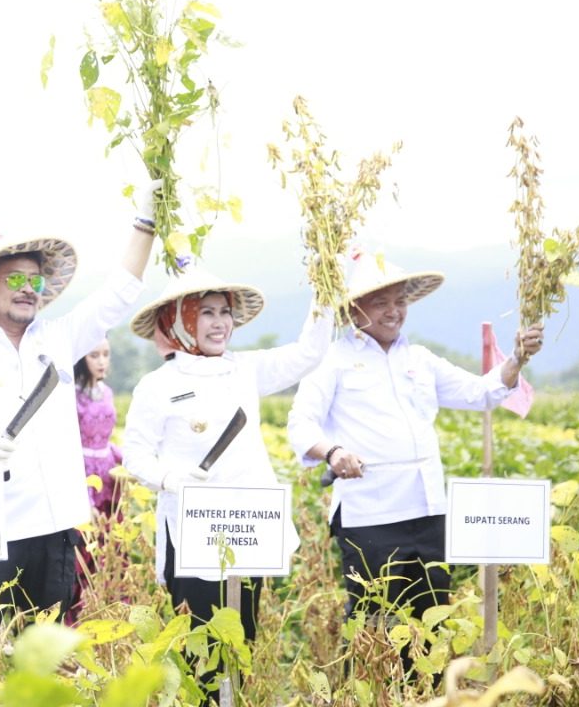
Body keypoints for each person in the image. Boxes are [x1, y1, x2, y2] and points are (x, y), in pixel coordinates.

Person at [0, 183, 157, 704]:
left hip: (53, 531)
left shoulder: (59, 338)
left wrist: (146, 223)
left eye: (35, 280)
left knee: (43, 667)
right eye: (16, 279)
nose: (29, 289)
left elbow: (120, 291)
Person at [286, 254, 543, 669]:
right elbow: (301, 423)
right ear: (355, 310)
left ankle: (428, 693)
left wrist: (515, 359)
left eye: (400, 301)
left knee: (430, 620)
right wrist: (333, 453)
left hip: (428, 511)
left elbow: (480, 393)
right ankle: (371, 691)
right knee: (375, 624)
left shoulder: (420, 359)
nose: (393, 311)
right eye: (381, 303)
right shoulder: (332, 360)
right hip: (370, 515)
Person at [122, 259, 332, 663]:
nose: (219, 323)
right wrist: (170, 478)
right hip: (193, 531)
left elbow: (310, 353)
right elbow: (136, 455)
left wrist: (325, 291)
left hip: (248, 526)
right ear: (179, 320)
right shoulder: (157, 385)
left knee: (241, 640)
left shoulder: (246, 369)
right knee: (200, 647)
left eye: (224, 312)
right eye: (206, 313)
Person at [75, 337, 123, 515]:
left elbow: (106, 439)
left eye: (106, 354)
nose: (102, 361)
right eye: (94, 355)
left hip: (108, 469)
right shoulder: (71, 395)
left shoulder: (107, 392)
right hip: (83, 471)